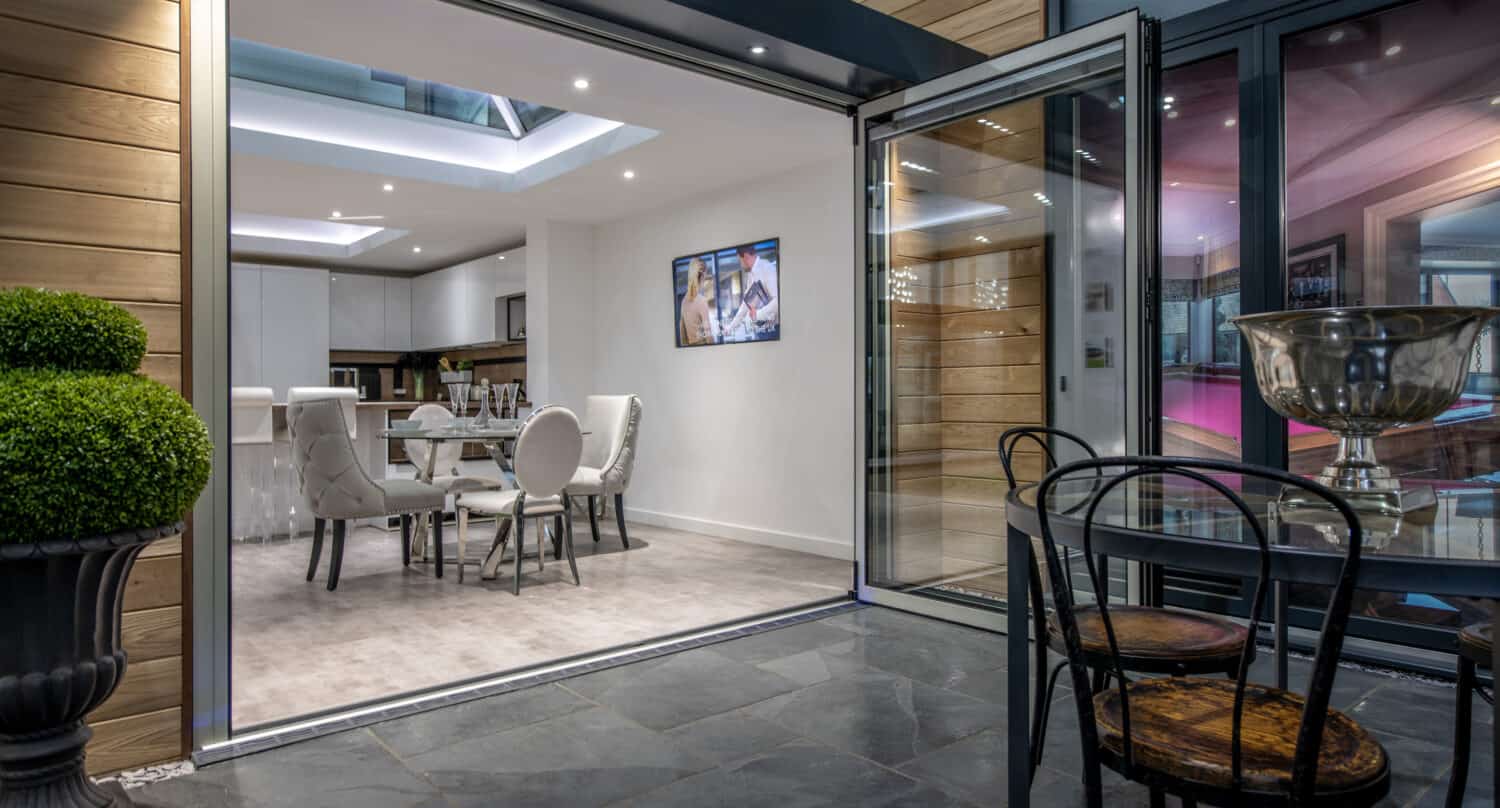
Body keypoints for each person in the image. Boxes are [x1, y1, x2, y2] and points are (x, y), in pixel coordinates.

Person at [722, 243, 778, 339]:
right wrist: (730, 328)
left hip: (772, 330)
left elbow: (778, 301)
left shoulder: (767, 268)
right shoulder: (751, 275)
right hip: (760, 330)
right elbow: (745, 305)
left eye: (740, 260)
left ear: (746, 257)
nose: (741, 264)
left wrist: (758, 314)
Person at [678, 257, 716, 346]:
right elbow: (708, 335)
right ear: (703, 276)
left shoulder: (684, 301)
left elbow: (682, 334)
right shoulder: (701, 301)